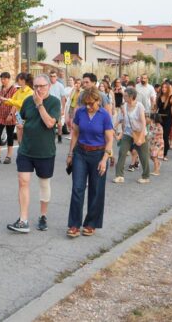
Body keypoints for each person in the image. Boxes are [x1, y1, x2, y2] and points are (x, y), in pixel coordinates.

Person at [7, 75, 61, 234]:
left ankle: (43, 216)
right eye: (36, 86)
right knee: (23, 182)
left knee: (44, 184)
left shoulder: (54, 102)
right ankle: (23, 220)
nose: (38, 89)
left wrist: (40, 105)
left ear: (48, 86)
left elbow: (50, 123)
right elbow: (22, 120)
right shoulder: (27, 101)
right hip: (26, 150)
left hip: (45, 151)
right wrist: (20, 135)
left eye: (42, 86)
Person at [66, 87, 114, 238]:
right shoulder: (80, 113)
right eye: (86, 103)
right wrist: (70, 154)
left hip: (98, 154)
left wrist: (104, 160)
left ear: (98, 101)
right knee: (77, 188)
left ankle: (91, 223)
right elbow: (75, 133)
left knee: (96, 190)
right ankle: (74, 224)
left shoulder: (104, 115)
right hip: (81, 153)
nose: (88, 106)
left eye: (91, 104)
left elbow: (110, 140)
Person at [112, 87, 150, 184]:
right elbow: (121, 119)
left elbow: (143, 123)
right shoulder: (124, 106)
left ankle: (145, 176)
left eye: (125, 96)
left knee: (143, 155)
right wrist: (112, 127)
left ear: (131, 96)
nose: (123, 97)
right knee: (122, 152)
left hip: (140, 132)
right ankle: (119, 176)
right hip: (128, 133)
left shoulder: (139, 106)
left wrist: (141, 137)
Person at [0, 72, 16, 165]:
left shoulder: (13, 89)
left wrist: (11, 114)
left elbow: (15, 103)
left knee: (10, 136)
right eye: (1, 79)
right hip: (0, 115)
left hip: (9, 115)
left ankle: (8, 156)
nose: (3, 81)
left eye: (4, 79)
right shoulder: (0, 89)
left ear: (9, 79)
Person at [3, 72, 33, 144]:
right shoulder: (18, 91)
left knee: (25, 137)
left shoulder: (30, 92)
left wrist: (8, 100)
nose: (17, 81)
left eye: (18, 80)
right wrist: (4, 100)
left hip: (27, 116)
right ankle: (21, 152)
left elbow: (22, 103)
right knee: (19, 138)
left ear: (23, 80)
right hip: (18, 115)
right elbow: (13, 101)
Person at [155, 81, 172, 160]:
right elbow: (155, 108)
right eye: (163, 87)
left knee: (165, 136)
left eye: (166, 87)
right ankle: (158, 151)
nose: (164, 89)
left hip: (168, 118)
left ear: (169, 88)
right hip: (159, 118)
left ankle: (164, 154)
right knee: (158, 135)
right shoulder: (158, 96)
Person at [48, 71, 66, 143]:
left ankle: (59, 137)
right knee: (50, 123)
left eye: (54, 76)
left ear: (56, 77)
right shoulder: (47, 85)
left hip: (57, 107)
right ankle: (51, 137)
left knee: (59, 124)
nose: (52, 78)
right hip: (49, 107)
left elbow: (63, 98)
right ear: (49, 77)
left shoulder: (60, 85)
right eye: (51, 76)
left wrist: (63, 109)